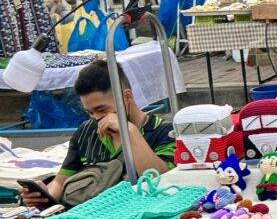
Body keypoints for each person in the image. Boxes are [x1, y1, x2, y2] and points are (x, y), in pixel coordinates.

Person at [18, 60, 175, 207]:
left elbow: (161, 183)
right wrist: (43, 195)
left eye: (101, 109)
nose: (96, 117)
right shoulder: (86, 132)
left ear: (127, 97)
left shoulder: (165, 132)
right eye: (90, 112)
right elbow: (60, 183)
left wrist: (130, 131)